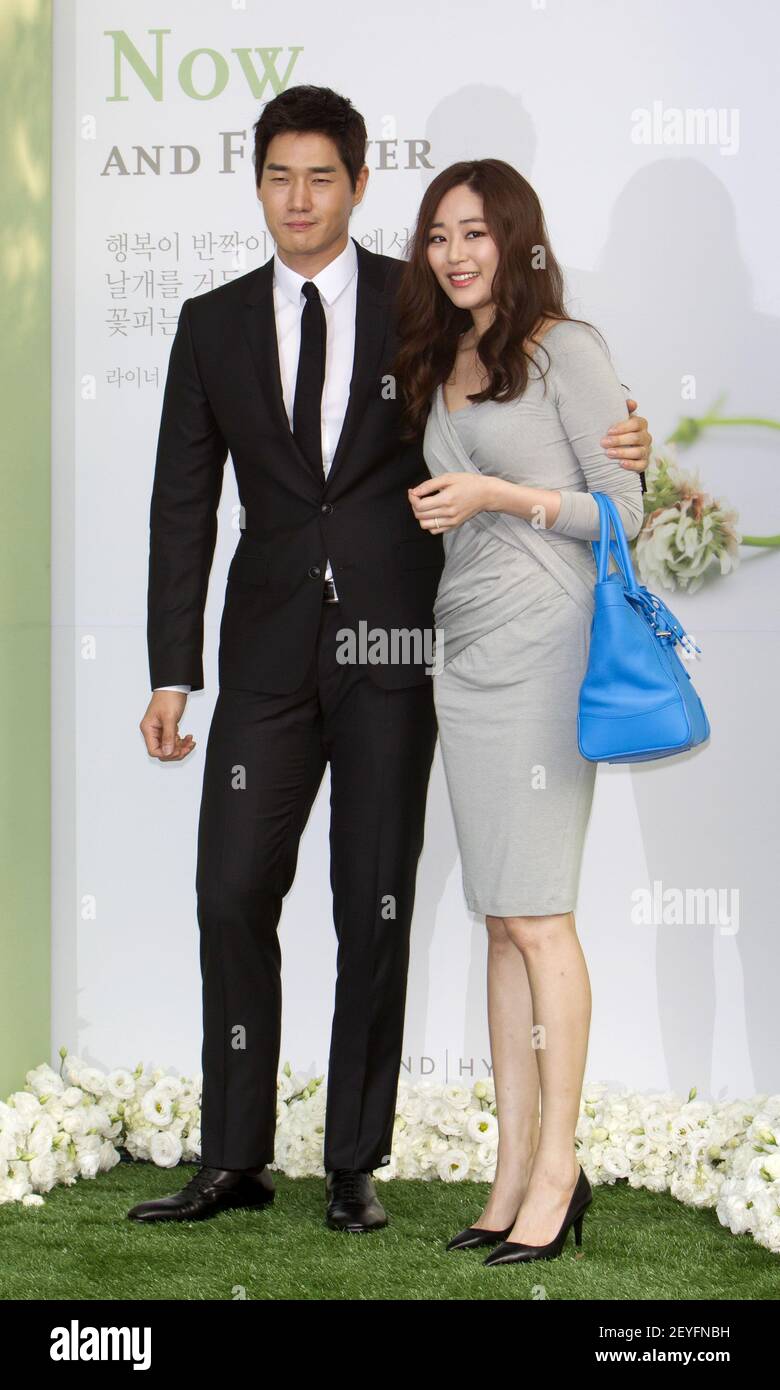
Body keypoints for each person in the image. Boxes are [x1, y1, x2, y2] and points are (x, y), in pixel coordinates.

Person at [132, 89, 651, 1234]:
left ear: (360, 185)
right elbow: (182, 506)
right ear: (258, 183)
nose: (301, 199)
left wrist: (628, 431)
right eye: (280, 176)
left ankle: (353, 1161)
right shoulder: (209, 322)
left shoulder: (414, 304)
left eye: (324, 177)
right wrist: (174, 671)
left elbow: (528, 389)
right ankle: (233, 1154)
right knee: (230, 890)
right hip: (264, 653)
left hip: (403, 648)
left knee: (374, 904)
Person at [399, 159, 645, 1264]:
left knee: (541, 915)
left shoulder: (564, 348)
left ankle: (560, 1169)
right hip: (468, 648)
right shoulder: (442, 355)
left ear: (515, 236)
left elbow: (624, 509)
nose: (455, 253)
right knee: (500, 918)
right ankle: (509, 1168)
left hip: (549, 649)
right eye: (438, 235)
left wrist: (501, 495)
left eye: (474, 232)